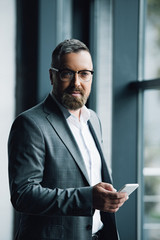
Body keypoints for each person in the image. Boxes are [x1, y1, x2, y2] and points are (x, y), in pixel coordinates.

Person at [8, 39, 128, 240]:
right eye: (67, 73)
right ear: (52, 76)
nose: (76, 83)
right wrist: (88, 197)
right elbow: (24, 195)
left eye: (84, 74)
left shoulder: (94, 120)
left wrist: (107, 197)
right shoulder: (30, 123)